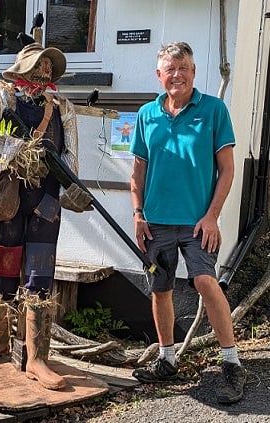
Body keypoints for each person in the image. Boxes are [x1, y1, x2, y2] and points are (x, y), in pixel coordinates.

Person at [0, 40, 93, 390]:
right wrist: (23, 149)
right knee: (4, 264)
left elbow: (70, 155)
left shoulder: (62, 106)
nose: (44, 71)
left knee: (40, 271)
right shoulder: (1, 95)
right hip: (8, 193)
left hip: (47, 198)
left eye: (48, 66)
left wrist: (70, 182)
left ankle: (36, 357)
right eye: (38, 65)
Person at [130, 41, 246, 404]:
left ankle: (232, 364)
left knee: (204, 281)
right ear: (159, 75)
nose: (177, 75)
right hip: (156, 222)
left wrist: (212, 215)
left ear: (193, 72)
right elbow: (138, 172)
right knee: (160, 289)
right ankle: (167, 359)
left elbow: (227, 169)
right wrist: (137, 214)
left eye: (184, 68)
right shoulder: (147, 114)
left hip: (199, 221)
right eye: (170, 69)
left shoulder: (213, 110)